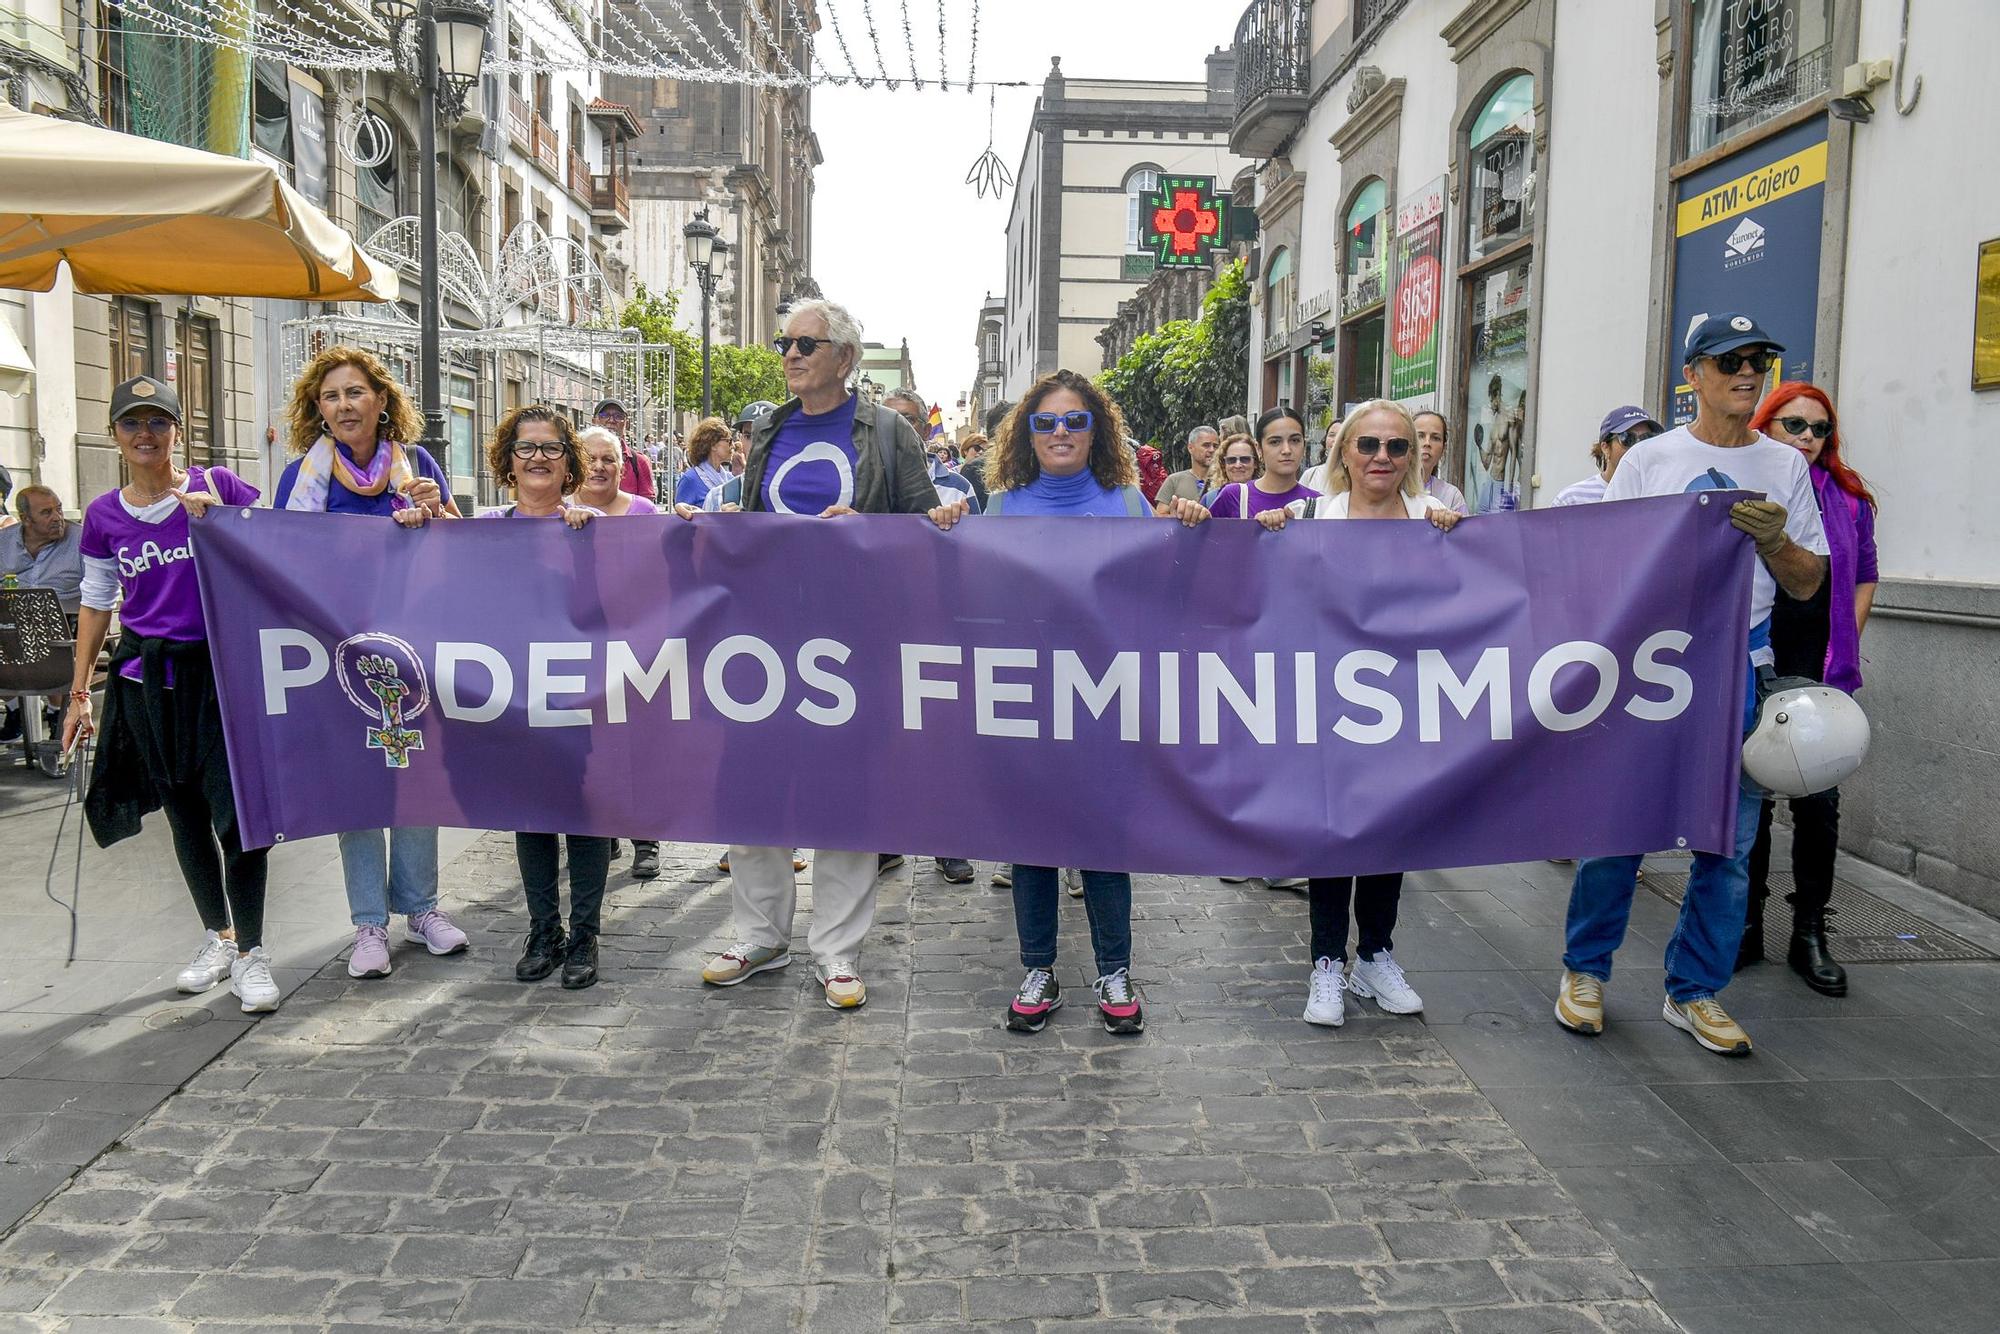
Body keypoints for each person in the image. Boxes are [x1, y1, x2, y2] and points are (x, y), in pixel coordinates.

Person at [1555, 314, 1828, 1057]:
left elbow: (1809, 583)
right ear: (1693, 376)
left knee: (1730, 842)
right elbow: (1608, 566)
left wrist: (1775, 541)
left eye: (1761, 360)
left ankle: (1694, 989)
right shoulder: (1651, 460)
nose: (1748, 372)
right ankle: (1585, 972)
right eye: (1730, 360)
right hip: (1654, 665)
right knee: (1619, 827)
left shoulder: (1786, 466)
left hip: (1742, 664)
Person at [927, 369, 1210, 1035]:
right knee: (1032, 842)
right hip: (1027, 697)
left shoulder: (1127, 501)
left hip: (1105, 699)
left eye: (1075, 421)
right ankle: (1039, 969)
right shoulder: (1003, 504)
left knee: (1104, 840)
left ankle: (1115, 970)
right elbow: (974, 595)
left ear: (1097, 431)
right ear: (1026, 432)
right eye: (1045, 421)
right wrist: (944, 532)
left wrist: (1193, 528)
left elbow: (1163, 591)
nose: (1060, 432)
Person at [684, 298, 939, 1011]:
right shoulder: (767, 427)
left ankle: (836, 951)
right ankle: (759, 934)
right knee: (752, 781)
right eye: (784, 342)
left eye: (806, 343)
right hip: (763, 633)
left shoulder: (887, 433)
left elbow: (926, 529)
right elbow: (757, 513)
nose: (790, 354)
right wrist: (729, 522)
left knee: (842, 792)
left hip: (852, 635)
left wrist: (870, 529)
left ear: (845, 359)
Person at [66, 377, 278, 1012]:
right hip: (145, 682)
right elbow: (98, 601)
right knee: (183, 813)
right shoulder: (104, 515)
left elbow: (278, 545)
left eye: (158, 423)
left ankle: (253, 953)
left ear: (178, 433)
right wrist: (80, 692)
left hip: (219, 677)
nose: (145, 435)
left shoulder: (216, 486)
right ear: (116, 437)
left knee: (236, 817)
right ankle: (218, 937)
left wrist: (223, 520)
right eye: (133, 424)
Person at [1256, 400, 1458, 1023]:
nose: (1382, 458)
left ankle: (1374, 953)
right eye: (1368, 445)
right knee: (1331, 829)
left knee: (1389, 828)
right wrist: (1272, 531)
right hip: (1329, 701)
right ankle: (1327, 963)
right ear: (1343, 451)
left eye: (1397, 447)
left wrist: (1464, 539)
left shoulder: (1433, 519)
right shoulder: (1314, 515)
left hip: (1405, 701)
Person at [277, 346, 467, 979]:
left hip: (414, 648)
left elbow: (461, 552)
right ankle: (367, 926)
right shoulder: (302, 479)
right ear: (319, 412)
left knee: (415, 776)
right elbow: (279, 555)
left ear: (382, 400)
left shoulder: (418, 465)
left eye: (355, 392)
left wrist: (435, 511)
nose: (343, 405)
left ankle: (422, 909)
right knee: (356, 788)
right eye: (330, 397)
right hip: (335, 654)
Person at [1739, 382, 1877, 998]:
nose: (1807, 439)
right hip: (1760, 653)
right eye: (1793, 425)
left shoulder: (1847, 499)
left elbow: (1866, 575)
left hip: (1819, 662)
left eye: (1819, 429)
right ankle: (1744, 923)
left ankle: (1809, 932)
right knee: (1754, 792)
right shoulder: (1750, 486)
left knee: (1818, 799)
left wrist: (1845, 635)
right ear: (1767, 425)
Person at [472, 405, 609, 988]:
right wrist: (414, 528)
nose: (537, 458)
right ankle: (543, 930)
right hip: (511, 693)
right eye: (525, 448)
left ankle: (584, 936)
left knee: (581, 812)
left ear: (567, 461)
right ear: (508, 461)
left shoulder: (592, 527)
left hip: (577, 693)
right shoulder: (482, 528)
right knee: (529, 813)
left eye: (551, 448)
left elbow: (629, 597)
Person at [0, 485, 85, 742]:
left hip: (64, 629)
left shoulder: (81, 540)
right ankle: (15, 711)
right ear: (26, 519)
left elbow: (102, 591)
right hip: (10, 629)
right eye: (46, 512)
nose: (57, 517)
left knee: (45, 617)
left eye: (58, 509)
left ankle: (55, 710)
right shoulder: (4, 543)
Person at [1206, 407, 1318, 520]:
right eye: (1275, 442)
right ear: (1259, 448)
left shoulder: (1319, 503)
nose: (1286, 450)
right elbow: (1203, 535)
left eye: (1295, 440)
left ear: (1304, 446)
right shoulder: (1234, 496)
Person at [886, 389, 979, 519]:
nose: (897, 427)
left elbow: (976, 537)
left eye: (908, 420)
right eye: (886, 420)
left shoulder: (959, 488)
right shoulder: (862, 484)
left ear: (927, 431)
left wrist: (961, 527)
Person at [1555, 406, 1662, 507]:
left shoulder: (1662, 494)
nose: (1638, 446)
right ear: (1605, 448)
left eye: (1647, 438)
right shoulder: (1573, 499)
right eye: (1628, 438)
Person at [574, 425, 659, 518]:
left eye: (608, 460)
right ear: (576, 466)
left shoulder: (645, 511)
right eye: (589, 459)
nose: (599, 467)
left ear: (622, 470)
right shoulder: (560, 510)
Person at [590, 399, 653, 500]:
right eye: (604, 415)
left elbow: (647, 509)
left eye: (618, 416)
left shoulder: (639, 462)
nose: (611, 420)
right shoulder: (579, 458)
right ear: (594, 421)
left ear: (626, 424)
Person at [1412, 411, 1471, 516]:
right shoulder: (1390, 489)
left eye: (1435, 438)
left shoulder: (1451, 496)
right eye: (1420, 436)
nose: (1427, 443)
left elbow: (1465, 531)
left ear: (1444, 448)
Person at [1152, 425, 1220, 511]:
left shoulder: (1223, 481)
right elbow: (1161, 516)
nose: (1212, 450)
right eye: (1206, 445)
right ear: (1190, 448)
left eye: (1215, 446)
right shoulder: (1174, 480)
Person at [674, 417, 733, 508]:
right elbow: (681, 520)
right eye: (728, 441)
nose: (732, 446)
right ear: (713, 444)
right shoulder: (690, 479)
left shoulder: (730, 479)